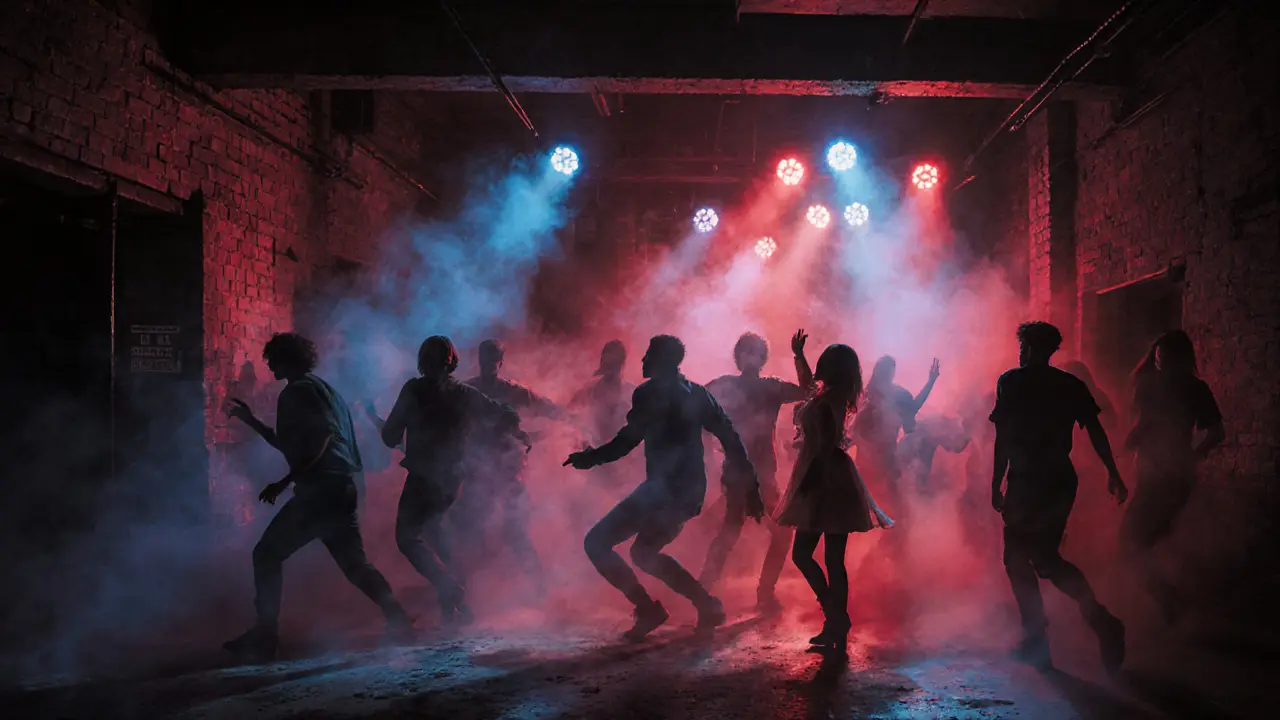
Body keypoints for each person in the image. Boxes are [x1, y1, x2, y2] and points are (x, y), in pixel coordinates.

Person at [223, 332, 411, 662]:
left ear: (288, 359)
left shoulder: (297, 391)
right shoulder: (328, 392)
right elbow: (292, 444)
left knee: (267, 554)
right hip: (340, 489)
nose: (268, 364)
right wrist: (251, 420)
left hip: (321, 492)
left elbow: (323, 437)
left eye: (273, 358)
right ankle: (398, 617)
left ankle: (265, 636)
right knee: (355, 566)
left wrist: (284, 483)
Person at [564, 335, 763, 642]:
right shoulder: (697, 393)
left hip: (662, 492)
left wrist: (590, 458)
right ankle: (706, 604)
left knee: (597, 543)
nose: (642, 361)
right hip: (689, 493)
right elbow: (731, 437)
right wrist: (751, 486)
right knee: (643, 553)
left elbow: (627, 440)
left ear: (660, 360)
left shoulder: (649, 392)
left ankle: (650, 609)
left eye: (647, 355)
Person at [990, 322, 1127, 673]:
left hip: (1027, 481)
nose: (1019, 353)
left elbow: (1003, 437)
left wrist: (996, 483)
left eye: (1021, 346)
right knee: (1045, 559)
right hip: (1060, 480)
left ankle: (1038, 636)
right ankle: (1097, 619)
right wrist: (1113, 471)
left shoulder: (1012, 381)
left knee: (1017, 559)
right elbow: (1095, 430)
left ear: (1028, 349)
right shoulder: (1070, 385)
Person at [375, 335, 530, 625]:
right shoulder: (464, 393)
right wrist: (491, 439)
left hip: (423, 477)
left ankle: (451, 591)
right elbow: (506, 414)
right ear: (452, 362)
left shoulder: (415, 389)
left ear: (422, 361)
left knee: (407, 537)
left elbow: (389, 437)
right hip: (453, 478)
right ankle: (456, 606)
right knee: (435, 532)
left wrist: (380, 423)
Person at [776, 330, 893, 652]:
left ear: (833, 368)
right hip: (828, 475)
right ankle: (836, 620)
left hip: (825, 476)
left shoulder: (830, 401)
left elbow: (825, 446)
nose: (818, 368)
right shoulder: (830, 396)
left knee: (812, 555)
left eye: (823, 363)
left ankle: (835, 618)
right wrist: (799, 356)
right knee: (828, 558)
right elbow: (808, 387)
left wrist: (808, 483)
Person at [1119, 331, 1225, 623]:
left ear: (1179, 359)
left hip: (1170, 478)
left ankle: (1173, 605)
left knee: (1131, 545)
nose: (1160, 361)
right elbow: (1146, 427)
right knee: (1153, 544)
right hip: (1157, 475)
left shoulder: (1192, 389)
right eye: (1158, 355)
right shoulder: (1152, 387)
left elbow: (1217, 432)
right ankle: (1173, 611)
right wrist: (1124, 449)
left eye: (1165, 356)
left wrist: (1190, 456)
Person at [699, 332, 808, 613]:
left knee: (758, 532)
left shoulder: (769, 388)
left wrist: (798, 356)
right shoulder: (725, 386)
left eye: (755, 351)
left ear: (763, 358)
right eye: (746, 351)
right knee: (734, 532)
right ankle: (708, 593)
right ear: (738, 356)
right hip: (740, 473)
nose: (750, 356)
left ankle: (753, 593)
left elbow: (808, 391)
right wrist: (706, 446)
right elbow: (691, 404)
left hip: (761, 475)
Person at [459, 339, 564, 596]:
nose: (487, 363)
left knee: (514, 528)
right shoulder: (467, 391)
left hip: (508, 468)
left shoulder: (514, 390)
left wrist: (562, 423)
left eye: (492, 358)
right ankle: (477, 590)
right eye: (484, 357)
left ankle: (540, 589)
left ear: (500, 362)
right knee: (473, 526)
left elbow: (549, 408)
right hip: (478, 468)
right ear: (478, 359)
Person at [853, 354, 941, 510]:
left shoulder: (897, 395)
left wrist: (931, 381)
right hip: (868, 463)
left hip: (887, 462)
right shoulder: (865, 396)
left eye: (888, 371)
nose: (886, 374)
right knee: (865, 508)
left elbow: (912, 408)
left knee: (895, 511)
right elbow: (855, 430)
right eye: (884, 370)